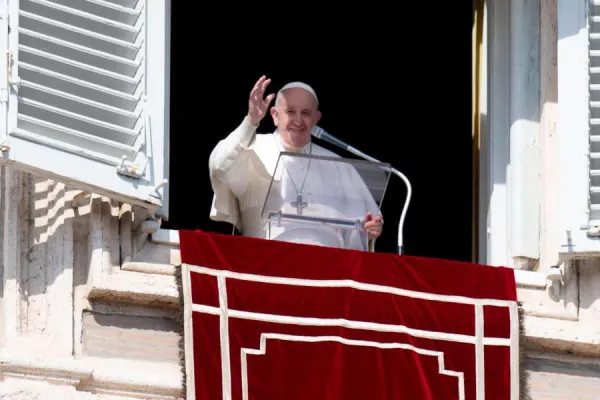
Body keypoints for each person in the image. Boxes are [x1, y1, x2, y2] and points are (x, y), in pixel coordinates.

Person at [208, 75, 384, 250]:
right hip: (266, 261)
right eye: (290, 112)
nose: (298, 121)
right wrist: (251, 121)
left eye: (306, 113)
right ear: (275, 115)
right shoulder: (252, 148)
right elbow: (219, 166)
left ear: (317, 118)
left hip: (327, 267)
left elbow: (356, 231)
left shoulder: (338, 164)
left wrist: (366, 231)